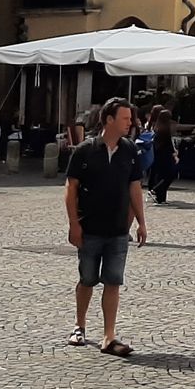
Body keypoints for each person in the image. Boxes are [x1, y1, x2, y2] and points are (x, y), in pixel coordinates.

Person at [64, 97, 149, 355]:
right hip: (89, 226)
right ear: (109, 119)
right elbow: (71, 189)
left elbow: (135, 188)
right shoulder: (85, 151)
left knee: (113, 281)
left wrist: (141, 222)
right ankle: (79, 325)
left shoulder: (130, 151)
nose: (130, 123)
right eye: (125, 118)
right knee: (87, 279)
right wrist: (73, 224)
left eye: (130, 118)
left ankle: (109, 335)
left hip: (117, 229)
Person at [147, 105, 178, 204]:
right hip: (165, 156)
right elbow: (168, 144)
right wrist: (174, 154)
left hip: (158, 155)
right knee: (168, 175)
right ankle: (156, 191)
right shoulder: (164, 129)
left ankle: (160, 197)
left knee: (160, 175)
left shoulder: (158, 127)